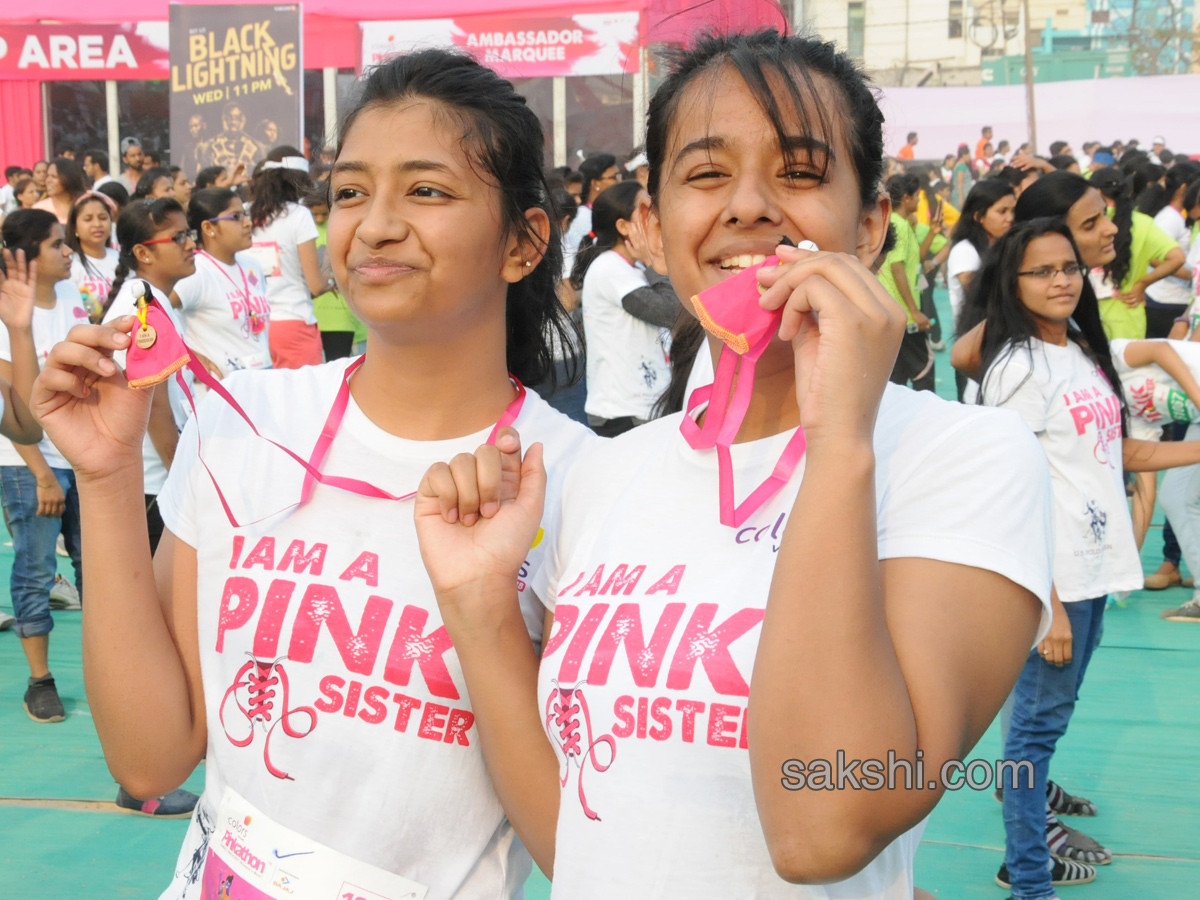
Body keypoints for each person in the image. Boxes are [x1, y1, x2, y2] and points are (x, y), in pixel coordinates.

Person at [412, 29, 1054, 900]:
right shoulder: (605, 474)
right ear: (649, 223)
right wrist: (478, 603)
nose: (749, 207)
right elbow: (581, 841)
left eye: (799, 172)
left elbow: (822, 828)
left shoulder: (964, 458)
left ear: (870, 225)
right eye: (707, 175)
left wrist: (837, 444)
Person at [31, 48, 592, 896]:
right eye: (353, 191)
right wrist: (106, 482)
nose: (375, 225)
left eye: (428, 191)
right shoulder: (243, 423)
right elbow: (149, 758)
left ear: (523, 242)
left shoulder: (584, 484)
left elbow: (581, 850)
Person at [971, 218, 1200, 900]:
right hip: (1057, 584)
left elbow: (1120, 453)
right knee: (1031, 742)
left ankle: (1030, 863)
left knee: (1046, 728)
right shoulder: (1015, 369)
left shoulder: (1078, 348)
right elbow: (1003, 490)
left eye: (1067, 267)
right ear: (1013, 284)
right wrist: (1046, 604)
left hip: (1097, 571)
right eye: (1042, 271)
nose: (1061, 280)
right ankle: (1029, 880)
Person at [96, 198, 204, 819]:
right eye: (179, 237)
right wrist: (190, 476)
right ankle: (145, 781)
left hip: (161, 480)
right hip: (158, 484)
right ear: (144, 251)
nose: (190, 245)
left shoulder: (153, 302)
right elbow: (155, 404)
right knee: (156, 632)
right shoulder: (140, 306)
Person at [0, 210, 88, 722]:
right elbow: (26, 427)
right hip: (30, 468)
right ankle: (40, 682)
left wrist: (20, 326)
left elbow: (27, 416)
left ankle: (107, 674)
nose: (69, 250)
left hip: (74, 457)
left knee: (94, 575)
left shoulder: (68, 301)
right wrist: (41, 471)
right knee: (35, 573)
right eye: (58, 244)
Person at [570, 180, 677, 436]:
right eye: (644, 213)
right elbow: (668, 311)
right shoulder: (609, 268)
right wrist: (655, 260)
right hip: (624, 412)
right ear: (623, 226)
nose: (654, 219)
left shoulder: (632, 268)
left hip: (641, 408)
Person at [169, 187, 272, 375]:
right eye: (236, 217)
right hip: (221, 392)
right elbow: (149, 315)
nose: (248, 223)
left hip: (262, 381)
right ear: (209, 228)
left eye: (245, 215)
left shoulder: (252, 265)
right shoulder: (196, 271)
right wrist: (186, 353)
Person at [247, 148, 327, 368]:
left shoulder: (245, 214)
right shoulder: (298, 215)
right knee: (305, 399)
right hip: (294, 323)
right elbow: (316, 285)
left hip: (253, 327)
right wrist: (329, 276)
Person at [1089, 168, 1185, 341]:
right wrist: (1142, 284)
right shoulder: (1143, 223)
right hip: (1129, 317)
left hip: (1088, 317)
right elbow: (1177, 258)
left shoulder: (1086, 222)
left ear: (1096, 191)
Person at [879, 173, 935, 390]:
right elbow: (897, 268)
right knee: (925, 368)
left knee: (897, 374)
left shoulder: (898, 222)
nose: (920, 201)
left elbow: (914, 261)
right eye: (917, 196)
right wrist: (915, 311)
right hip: (904, 311)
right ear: (906, 198)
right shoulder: (899, 225)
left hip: (892, 309)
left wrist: (932, 233)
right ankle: (930, 416)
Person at [947, 180, 1016, 328]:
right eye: (1002, 211)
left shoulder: (1007, 246)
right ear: (979, 216)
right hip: (979, 334)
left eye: (1013, 211)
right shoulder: (964, 251)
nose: (1010, 218)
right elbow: (980, 295)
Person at [1141, 165, 1198, 336]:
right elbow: (1153, 255)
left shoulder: (1182, 215)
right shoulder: (1169, 218)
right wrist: (1188, 274)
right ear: (1184, 188)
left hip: (1179, 298)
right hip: (1165, 299)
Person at [306, 193, 359, 361]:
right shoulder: (304, 233)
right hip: (311, 316)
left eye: (324, 214)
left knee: (337, 367)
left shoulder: (340, 228)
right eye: (314, 214)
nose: (320, 218)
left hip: (340, 317)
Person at [66, 191, 120, 321]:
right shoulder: (69, 264)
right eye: (88, 219)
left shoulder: (120, 259)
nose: (97, 224)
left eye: (102, 218)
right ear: (75, 228)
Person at [563, 153, 620, 271]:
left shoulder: (604, 212)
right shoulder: (583, 217)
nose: (619, 182)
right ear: (595, 183)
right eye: (613, 177)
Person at [33, 158, 87, 225]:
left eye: (54, 176)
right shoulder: (39, 209)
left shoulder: (86, 204)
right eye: (47, 176)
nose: (48, 180)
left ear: (68, 178)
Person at [951, 143, 975, 209]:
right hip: (962, 195)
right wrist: (961, 198)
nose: (970, 157)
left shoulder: (958, 164)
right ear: (964, 155)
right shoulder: (961, 166)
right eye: (969, 155)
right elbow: (960, 183)